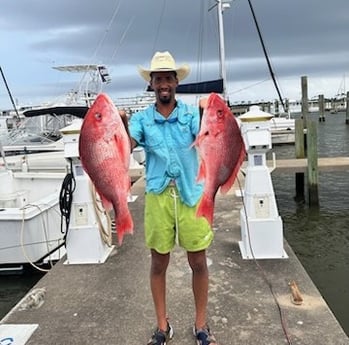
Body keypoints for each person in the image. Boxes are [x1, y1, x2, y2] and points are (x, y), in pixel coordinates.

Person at [126, 51, 217, 345]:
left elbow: (205, 135)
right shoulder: (142, 120)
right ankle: (162, 327)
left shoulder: (191, 114)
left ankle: (201, 325)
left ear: (176, 82)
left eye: (168, 78)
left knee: (199, 262)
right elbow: (125, 146)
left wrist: (207, 111)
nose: (163, 84)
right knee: (157, 263)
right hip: (158, 195)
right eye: (158, 79)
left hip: (192, 194)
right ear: (151, 84)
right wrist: (118, 126)